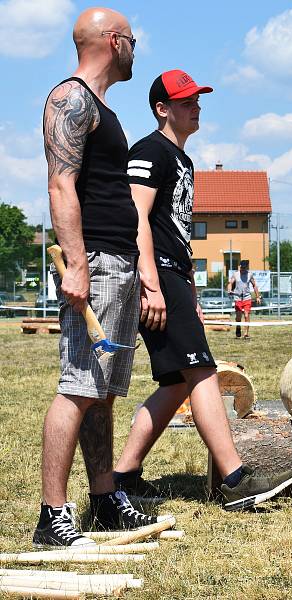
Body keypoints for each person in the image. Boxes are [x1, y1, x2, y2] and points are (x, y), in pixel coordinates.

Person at [113, 70, 292, 510]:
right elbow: (136, 217)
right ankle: (235, 480)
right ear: (162, 108)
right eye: (185, 101)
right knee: (202, 373)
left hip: (175, 277)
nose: (196, 106)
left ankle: (124, 475)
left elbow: (178, 232)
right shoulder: (149, 151)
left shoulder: (184, 161)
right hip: (156, 275)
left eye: (197, 99)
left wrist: (190, 296)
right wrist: (151, 285)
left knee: (177, 383)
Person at [35, 7, 163, 548]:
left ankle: (106, 496)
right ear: (114, 41)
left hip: (119, 262)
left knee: (103, 392)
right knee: (77, 387)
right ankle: (52, 515)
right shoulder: (71, 98)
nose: (136, 50)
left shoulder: (103, 106)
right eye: (132, 41)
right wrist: (79, 263)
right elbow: (61, 186)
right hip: (99, 263)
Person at [227, 260, 260, 339]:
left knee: (246, 315)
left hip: (247, 297)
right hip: (238, 297)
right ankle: (238, 327)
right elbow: (230, 283)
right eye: (242, 267)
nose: (243, 269)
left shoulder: (250, 275)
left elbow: (254, 285)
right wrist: (229, 290)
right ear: (240, 266)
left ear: (247, 267)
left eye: (244, 268)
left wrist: (257, 296)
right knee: (238, 317)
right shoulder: (236, 274)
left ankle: (246, 333)